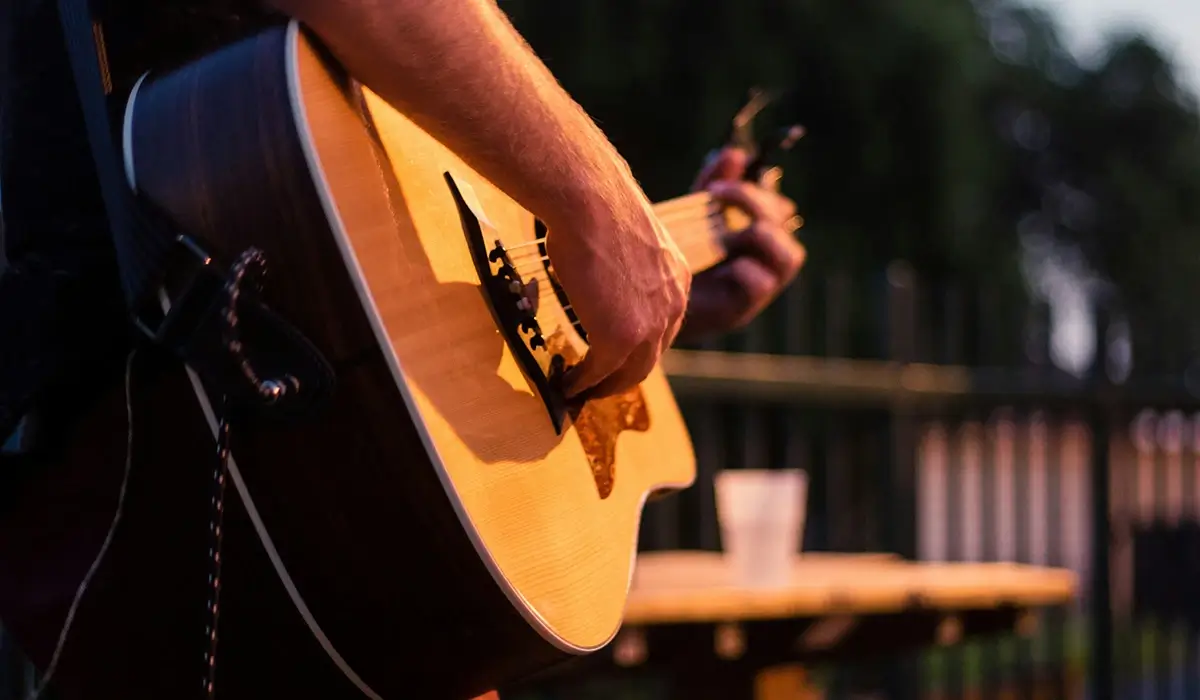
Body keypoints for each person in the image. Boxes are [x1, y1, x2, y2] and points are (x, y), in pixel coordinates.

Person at [0, 0, 805, 697]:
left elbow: (367, 282)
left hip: (295, 510)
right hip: (206, 496)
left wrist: (627, 305)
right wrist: (600, 207)